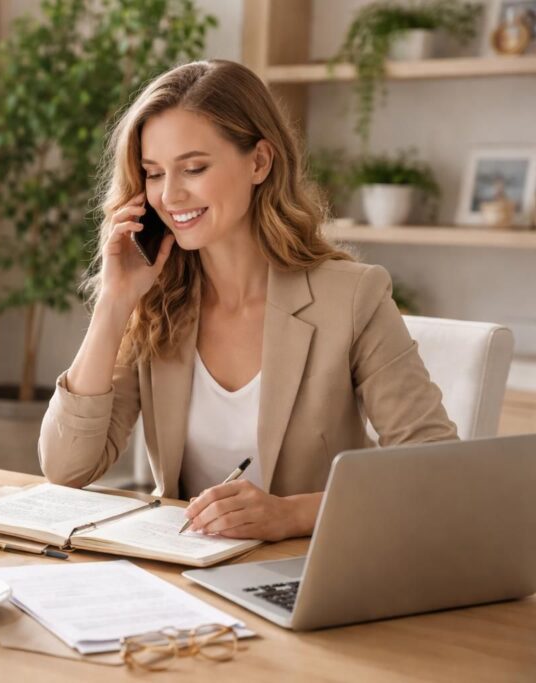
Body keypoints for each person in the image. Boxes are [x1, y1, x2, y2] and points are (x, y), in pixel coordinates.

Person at [38, 60, 456, 542]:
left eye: (193, 168)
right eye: (153, 174)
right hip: (184, 575)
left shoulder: (352, 296)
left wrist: (291, 515)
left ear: (259, 161)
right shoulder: (156, 303)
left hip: (309, 571)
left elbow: (434, 468)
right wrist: (114, 302)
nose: (170, 196)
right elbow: (67, 469)